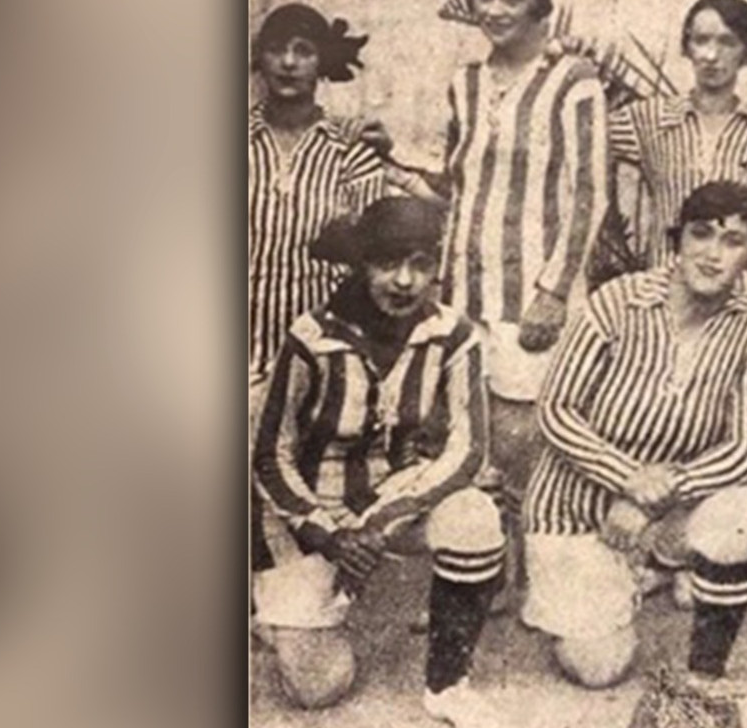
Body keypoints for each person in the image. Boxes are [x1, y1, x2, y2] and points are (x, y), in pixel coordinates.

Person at [250, 198, 505, 727]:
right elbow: (269, 456)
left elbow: (469, 447)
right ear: (361, 263)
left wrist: (382, 522)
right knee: (319, 688)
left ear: (437, 265)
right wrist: (330, 536)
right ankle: (274, 608)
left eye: (420, 263)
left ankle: (448, 684)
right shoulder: (312, 337)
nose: (405, 280)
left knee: (475, 515)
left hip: (391, 501)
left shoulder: (453, 335)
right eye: (387, 262)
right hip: (310, 513)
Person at [522, 182, 747, 690]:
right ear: (676, 240)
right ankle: (615, 581)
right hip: (573, 505)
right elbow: (554, 409)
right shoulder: (617, 301)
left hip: (664, 507)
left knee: (742, 515)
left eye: (732, 241)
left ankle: (668, 578)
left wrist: (649, 502)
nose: (711, 254)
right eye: (700, 234)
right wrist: (628, 480)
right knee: (599, 667)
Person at [437, 0, 610, 563]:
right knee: (467, 431)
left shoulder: (573, 81)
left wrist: (555, 290)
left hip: (531, 293)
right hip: (465, 290)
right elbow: (456, 184)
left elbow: (589, 192)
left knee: (521, 436)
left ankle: (535, 568)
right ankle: (478, 564)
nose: (493, 9)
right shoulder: (464, 82)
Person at [247, 3, 429, 388]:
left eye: (304, 50)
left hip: (324, 349)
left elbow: (371, 251)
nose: (289, 62)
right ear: (259, 58)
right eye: (276, 49)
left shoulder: (349, 147)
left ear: (323, 60)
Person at [601, 0, 747, 311]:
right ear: (687, 47)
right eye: (701, 40)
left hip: (735, 305)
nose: (711, 56)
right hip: (663, 295)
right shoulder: (649, 120)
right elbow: (582, 142)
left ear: (746, 51)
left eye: (727, 42)